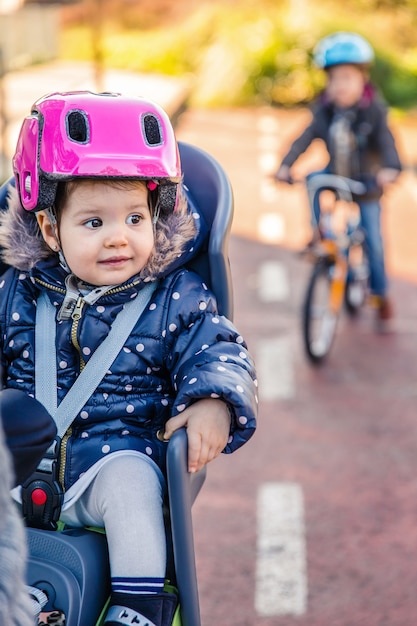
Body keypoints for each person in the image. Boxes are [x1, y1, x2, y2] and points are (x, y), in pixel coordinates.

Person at [0, 91, 258, 626]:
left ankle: (139, 606)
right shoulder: (15, 293)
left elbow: (218, 347)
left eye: (135, 217)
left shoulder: (175, 298)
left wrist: (214, 399)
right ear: (50, 229)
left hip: (110, 460)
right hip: (21, 466)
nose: (120, 237)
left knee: (132, 484)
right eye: (94, 223)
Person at [275, 31, 402, 322]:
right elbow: (303, 139)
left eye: (347, 78)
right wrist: (286, 165)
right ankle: (319, 235)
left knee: (374, 242)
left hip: (367, 182)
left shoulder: (374, 111)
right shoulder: (325, 111)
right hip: (335, 173)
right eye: (334, 79)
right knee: (313, 179)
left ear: (362, 80)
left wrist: (390, 169)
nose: (340, 85)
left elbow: (387, 142)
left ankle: (380, 293)